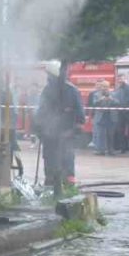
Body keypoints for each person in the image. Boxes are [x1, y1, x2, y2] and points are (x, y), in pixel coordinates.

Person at [35, 60, 85, 195]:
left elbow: (80, 115)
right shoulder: (50, 91)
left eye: (49, 75)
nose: (48, 78)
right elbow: (41, 110)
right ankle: (53, 183)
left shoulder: (69, 90)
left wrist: (74, 129)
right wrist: (39, 127)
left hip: (63, 133)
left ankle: (64, 183)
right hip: (51, 132)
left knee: (63, 157)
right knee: (54, 157)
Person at [88, 80, 115, 155]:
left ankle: (110, 150)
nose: (105, 88)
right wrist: (101, 99)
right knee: (100, 134)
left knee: (110, 135)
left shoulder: (113, 94)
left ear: (109, 87)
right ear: (101, 87)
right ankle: (100, 150)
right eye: (103, 86)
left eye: (106, 86)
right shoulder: (96, 95)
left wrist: (111, 99)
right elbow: (94, 104)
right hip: (100, 117)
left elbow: (118, 103)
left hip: (110, 116)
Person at [111, 78, 129, 152]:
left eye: (122, 81)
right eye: (119, 81)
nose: (120, 83)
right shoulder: (117, 90)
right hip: (120, 113)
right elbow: (115, 100)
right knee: (120, 131)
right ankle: (122, 147)